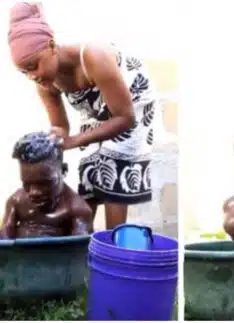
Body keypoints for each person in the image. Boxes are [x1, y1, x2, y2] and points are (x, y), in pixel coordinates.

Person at [8, 3, 156, 229]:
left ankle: (113, 243)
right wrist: (52, 140)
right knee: (88, 173)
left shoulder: (92, 56)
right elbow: (60, 126)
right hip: (95, 112)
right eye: (24, 71)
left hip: (131, 105)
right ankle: (83, 244)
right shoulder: (45, 83)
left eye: (33, 66)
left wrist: (74, 141)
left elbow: (125, 119)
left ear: (51, 46)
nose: (32, 76)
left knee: (115, 167)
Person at [0, 132, 93, 239]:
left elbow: (79, 250)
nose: (34, 192)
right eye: (26, 183)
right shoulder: (16, 201)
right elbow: (4, 241)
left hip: (57, 255)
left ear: (63, 171)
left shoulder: (77, 209)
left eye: (44, 183)